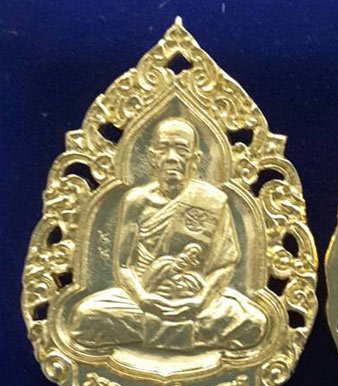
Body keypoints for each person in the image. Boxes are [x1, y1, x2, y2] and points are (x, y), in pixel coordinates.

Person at [70, 117, 267, 351]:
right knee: (84, 318)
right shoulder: (136, 201)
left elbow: (224, 265)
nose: (172, 157)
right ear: (152, 157)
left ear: (195, 160)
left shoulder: (212, 201)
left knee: (254, 322)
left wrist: (199, 301)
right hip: (144, 298)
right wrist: (143, 299)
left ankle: (159, 330)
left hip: (197, 300)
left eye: (181, 150)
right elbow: (122, 266)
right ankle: (192, 334)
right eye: (164, 148)